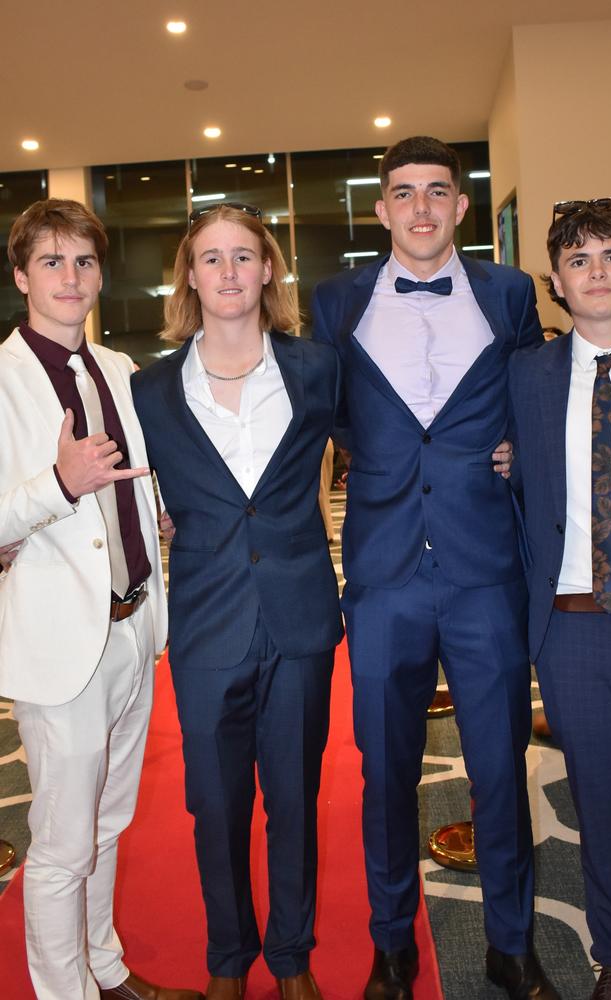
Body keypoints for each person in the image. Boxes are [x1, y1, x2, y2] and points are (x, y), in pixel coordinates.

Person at [312, 136, 559, 1000]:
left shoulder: (510, 291)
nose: (421, 207)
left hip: (487, 570)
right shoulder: (335, 299)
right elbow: (333, 415)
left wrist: (515, 452)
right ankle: (391, 945)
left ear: (462, 208)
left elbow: (539, 392)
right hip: (382, 575)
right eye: (404, 193)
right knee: (386, 771)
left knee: (498, 766)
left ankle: (512, 943)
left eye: (438, 192)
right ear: (380, 210)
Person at [131, 203, 343, 1000]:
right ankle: (229, 959)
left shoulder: (316, 369)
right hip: (207, 624)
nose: (228, 272)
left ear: (266, 271)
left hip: (299, 620)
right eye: (211, 257)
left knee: (294, 799)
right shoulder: (149, 389)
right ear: (190, 274)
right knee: (214, 808)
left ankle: (292, 956)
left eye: (243, 256)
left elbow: (387, 448)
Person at [0, 199, 201, 1000]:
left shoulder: (118, 369)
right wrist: (58, 484)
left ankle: (106, 970)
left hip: (132, 625)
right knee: (60, 844)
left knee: (109, 824)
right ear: (21, 277)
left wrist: (157, 518)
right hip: (60, 643)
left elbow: (130, 487)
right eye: (51, 262)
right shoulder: (3, 378)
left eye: (83, 261)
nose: (70, 277)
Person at [510, 199, 611, 1000]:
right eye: (577, 260)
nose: (595, 271)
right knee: (600, 806)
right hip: (573, 628)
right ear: (557, 283)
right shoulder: (525, 377)